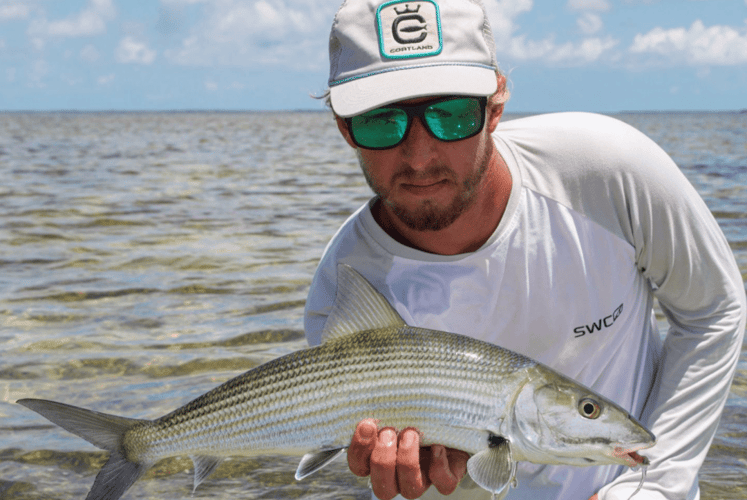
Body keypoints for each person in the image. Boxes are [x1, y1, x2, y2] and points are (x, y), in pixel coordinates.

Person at [304, 0, 747, 499]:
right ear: (344, 127)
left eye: (451, 115)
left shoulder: (607, 171)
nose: (420, 156)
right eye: (381, 122)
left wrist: (658, 483)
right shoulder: (344, 281)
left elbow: (714, 310)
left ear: (496, 104)